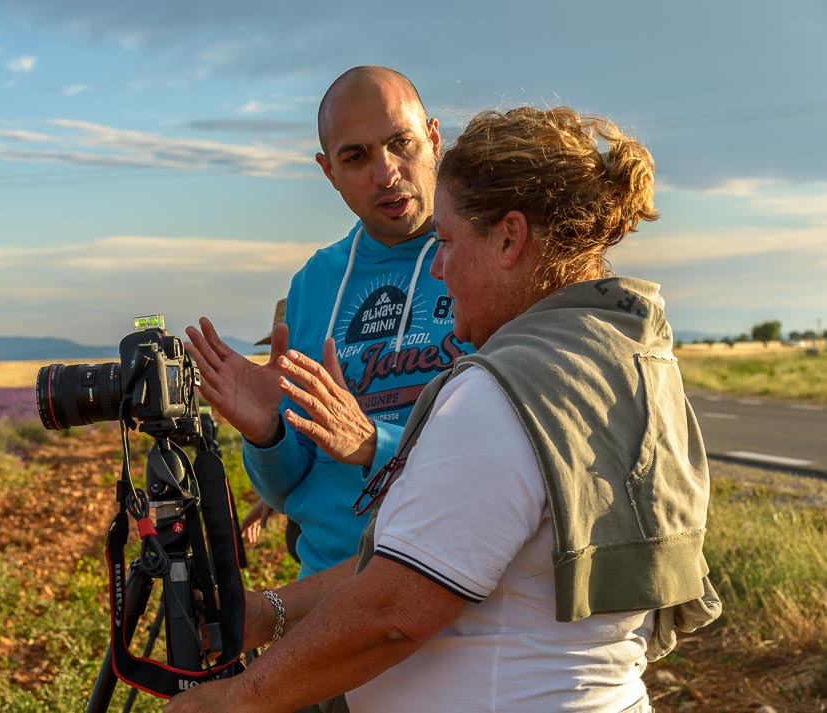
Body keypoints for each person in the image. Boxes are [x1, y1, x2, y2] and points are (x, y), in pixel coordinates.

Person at [167, 106, 722, 712]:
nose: (437, 267)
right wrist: (271, 611)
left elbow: (394, 610)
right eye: (355, 156)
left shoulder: (506, 391)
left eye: (450, 243)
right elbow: (433, 555)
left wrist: (235, 700)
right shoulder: (631, 355)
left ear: (510, 238)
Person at [186, 66, 472, 579]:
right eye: (355, 156)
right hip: (325, 585)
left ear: (433, 138)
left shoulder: (486, 257)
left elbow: (513, 448)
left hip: (453, 581)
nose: (385, 174)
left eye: (400, 142)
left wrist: (373, 443)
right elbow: (292, 487)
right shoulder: (315, 282)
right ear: (328, 171)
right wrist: (267, 433)